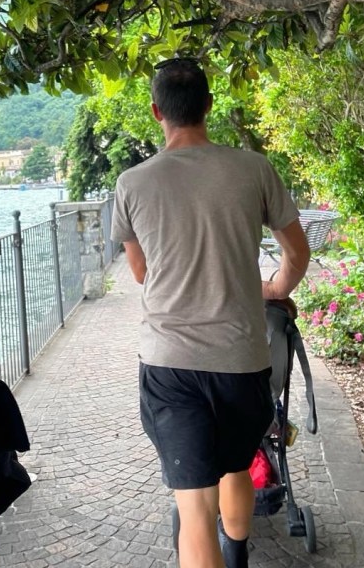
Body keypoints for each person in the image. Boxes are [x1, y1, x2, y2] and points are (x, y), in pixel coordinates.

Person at [110, 57, 310, 568]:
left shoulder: (132, 183)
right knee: (238, 466)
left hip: (170, 363)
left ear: (157, 112)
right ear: (209, 106)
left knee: (194, 505)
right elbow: (297, 251)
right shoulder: (253, 168)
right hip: (242, 360)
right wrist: (274, 288)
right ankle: (236, 555)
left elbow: (141, 273)